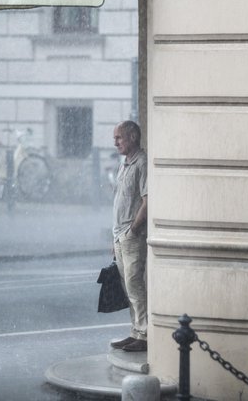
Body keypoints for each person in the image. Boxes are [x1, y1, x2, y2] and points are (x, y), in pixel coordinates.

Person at [109, 120, 148, 353]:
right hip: (120, 234)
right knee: (127, 286)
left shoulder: (141, 162)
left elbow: (147, 200)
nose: (115, 143)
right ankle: (135, 331)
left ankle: (144, 334)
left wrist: (133, 229)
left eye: (119, 138)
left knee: (134, 285)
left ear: (132, 137)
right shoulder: (125, 163)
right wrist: (114, 237)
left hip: (131, 234)